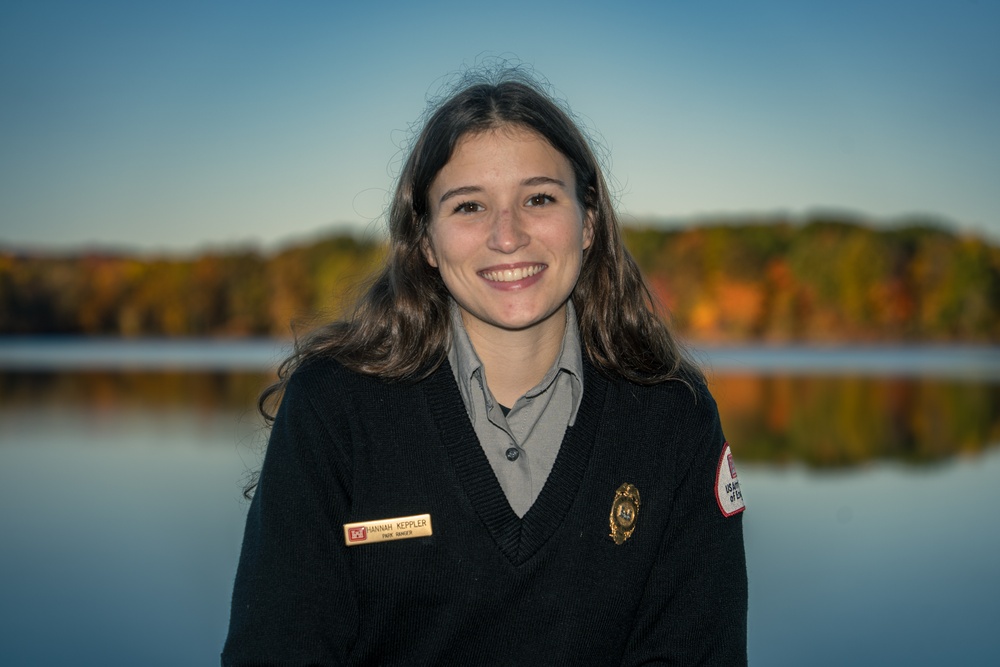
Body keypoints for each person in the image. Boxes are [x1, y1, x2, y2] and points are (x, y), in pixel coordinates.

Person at [222, 67, 747, 666]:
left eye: (539, 198)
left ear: (589, 224)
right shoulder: (334, 408)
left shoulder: (672, 415)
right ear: (425, 240)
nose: (507, 236)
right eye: (469, 206)